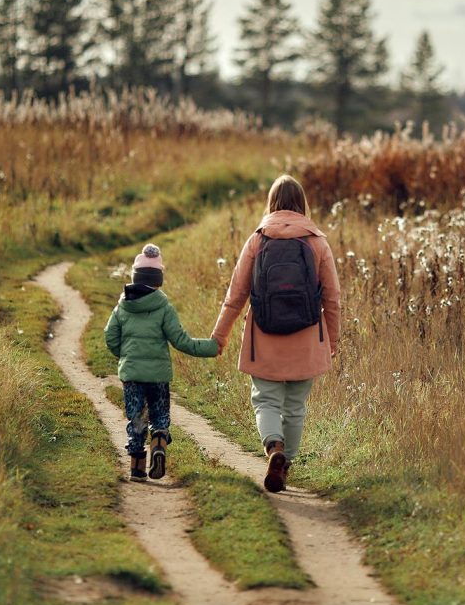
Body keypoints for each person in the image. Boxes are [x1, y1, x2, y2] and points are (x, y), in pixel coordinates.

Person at [212, 175, 341, 492]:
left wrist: (220, 336)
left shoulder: (258, 240)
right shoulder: (317, 241)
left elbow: (236, 295)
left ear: (271, 203)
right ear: (302, 204)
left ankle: (275, 450)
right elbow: (333, 299)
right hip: (307, 336)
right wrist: (332, 342)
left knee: (266, 402)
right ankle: (286, 466)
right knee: (295, 407)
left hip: (264, 336)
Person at [104, 243, 219, 481]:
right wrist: (213, 346)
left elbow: (110, 336)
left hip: (132, 375)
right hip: (158, 376)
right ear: (159, 280)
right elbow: (181, 340)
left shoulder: (122, 307)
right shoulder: (164, 307)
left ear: (135, 278)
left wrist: (124, 356)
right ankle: (158, 442)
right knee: (159, 415)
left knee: (136, 418)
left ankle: (137, 467)